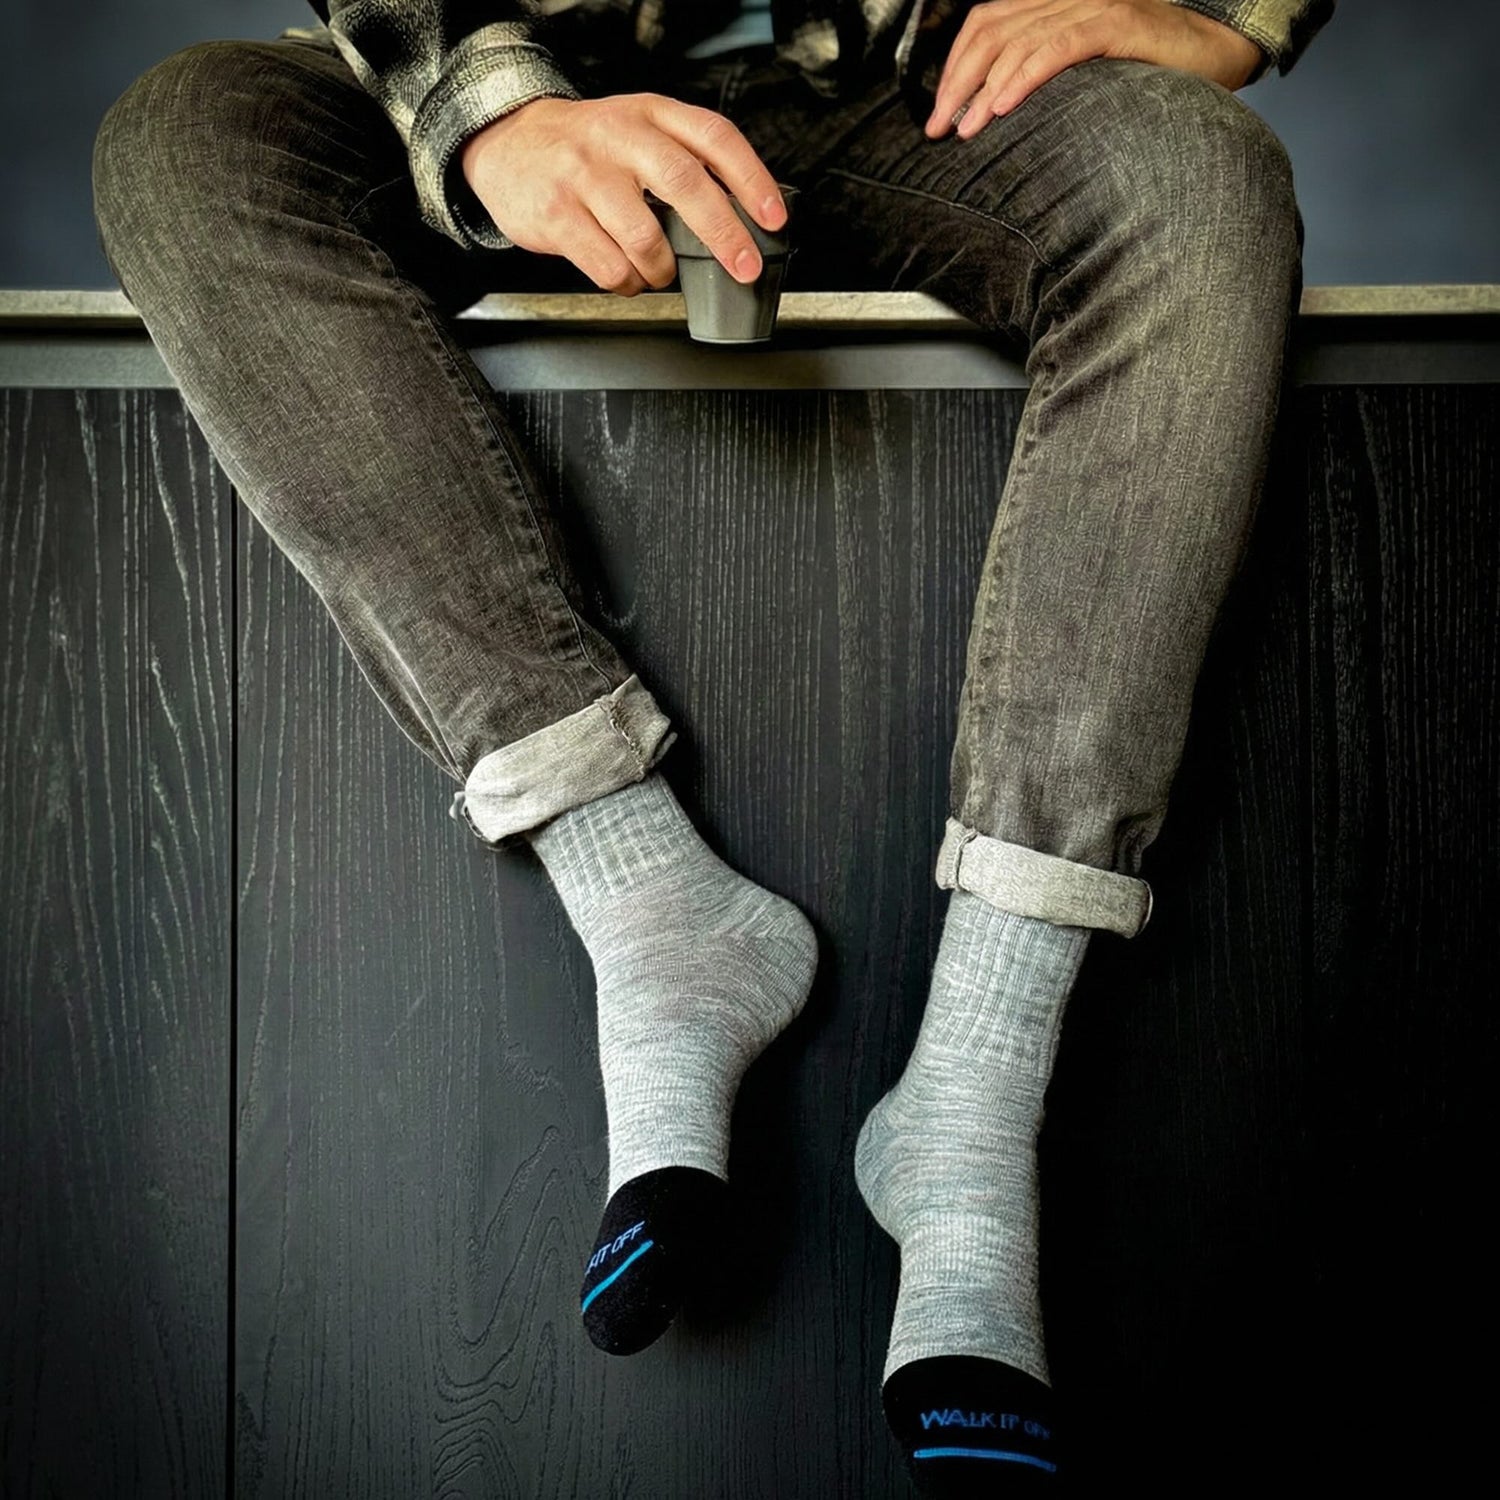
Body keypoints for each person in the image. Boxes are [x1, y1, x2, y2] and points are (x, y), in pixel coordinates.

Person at [91, 0, 1336, 1488]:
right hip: (503, 56)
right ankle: (649, 909)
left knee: (1202, 182)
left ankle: (973, 1103)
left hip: (910, 79)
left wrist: (1217, 8)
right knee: (185, 140)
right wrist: (488, 109)